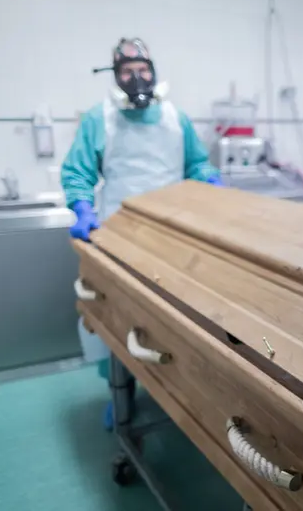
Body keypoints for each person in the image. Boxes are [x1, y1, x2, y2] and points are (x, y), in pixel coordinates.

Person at [62, 38, 222, 428]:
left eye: (143, 69)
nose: (137, 78)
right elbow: (78, 172)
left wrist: (210, 180)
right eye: (127, 71)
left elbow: (196, 164)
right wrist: (83, 208)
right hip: (120, 235)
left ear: (154, 71)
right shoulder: (98, 119)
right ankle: (121, 390)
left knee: (172, 319)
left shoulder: (175, 118)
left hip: (171, 236)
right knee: (120, 319)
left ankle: (176, 388)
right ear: (116, 76)